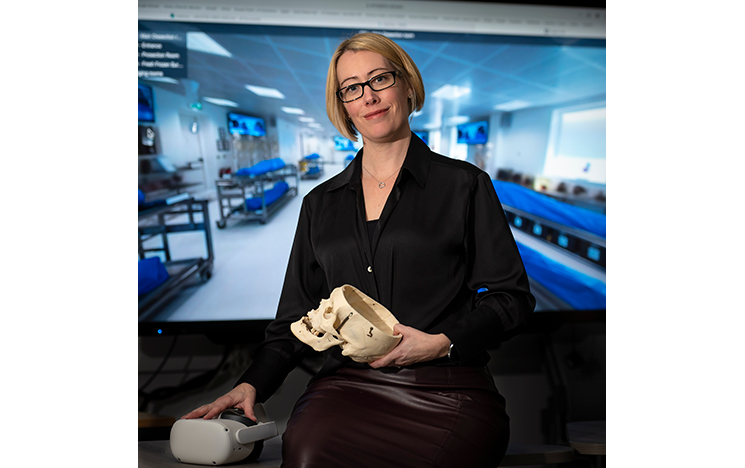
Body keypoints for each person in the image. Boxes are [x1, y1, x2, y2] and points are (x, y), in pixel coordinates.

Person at [183, 32, 535, 468]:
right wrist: (253, 383)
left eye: (379, 79)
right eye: (352, 88)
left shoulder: (464, 185)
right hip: (346, 387)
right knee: (306, 454)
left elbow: (512, 300)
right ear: (344, 105)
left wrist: (440, 343)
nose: (368, 96)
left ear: (406, 84)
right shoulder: (319, 204)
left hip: (448, 388)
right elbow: (296, 317)